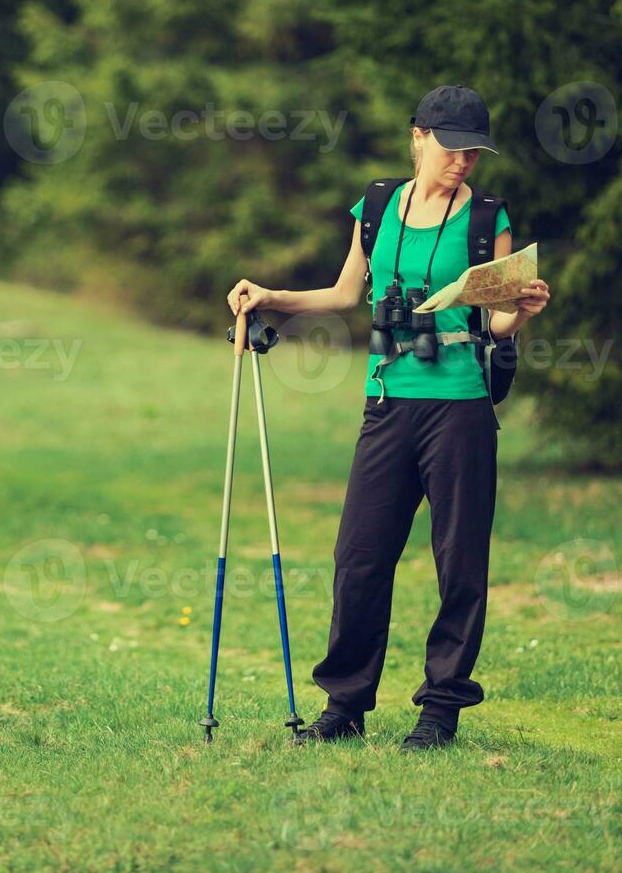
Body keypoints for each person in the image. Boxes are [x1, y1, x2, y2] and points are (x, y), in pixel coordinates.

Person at [225, 85, 550, 750]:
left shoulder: (488, 220)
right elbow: (348, 292)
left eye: (474, 153)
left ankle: (440, 711)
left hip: (460, 408)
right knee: (359, 558)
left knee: (459, 563)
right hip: (386, 402)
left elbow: (499, 317)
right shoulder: (377, 207)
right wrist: (271, 296)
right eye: (453, 148)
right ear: (419, 137)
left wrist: (525, 309)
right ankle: (344, 707)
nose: (463, 162)